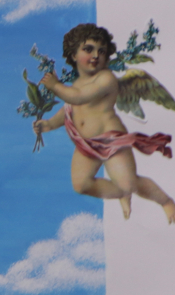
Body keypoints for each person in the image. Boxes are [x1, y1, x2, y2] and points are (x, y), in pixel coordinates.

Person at [34, 24, 175, 223]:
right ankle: (120, 193)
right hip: (86, 144)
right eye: (88, 49)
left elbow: (78, 97)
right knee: (81, 185)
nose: (95, 55)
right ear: (73, 55)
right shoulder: (76, 84)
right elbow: (69, 109)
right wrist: (49, 124)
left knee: (130, 183)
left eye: (101, 51)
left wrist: (56, 86)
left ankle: (166, 201)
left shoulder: (106, 78)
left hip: (111, 141)